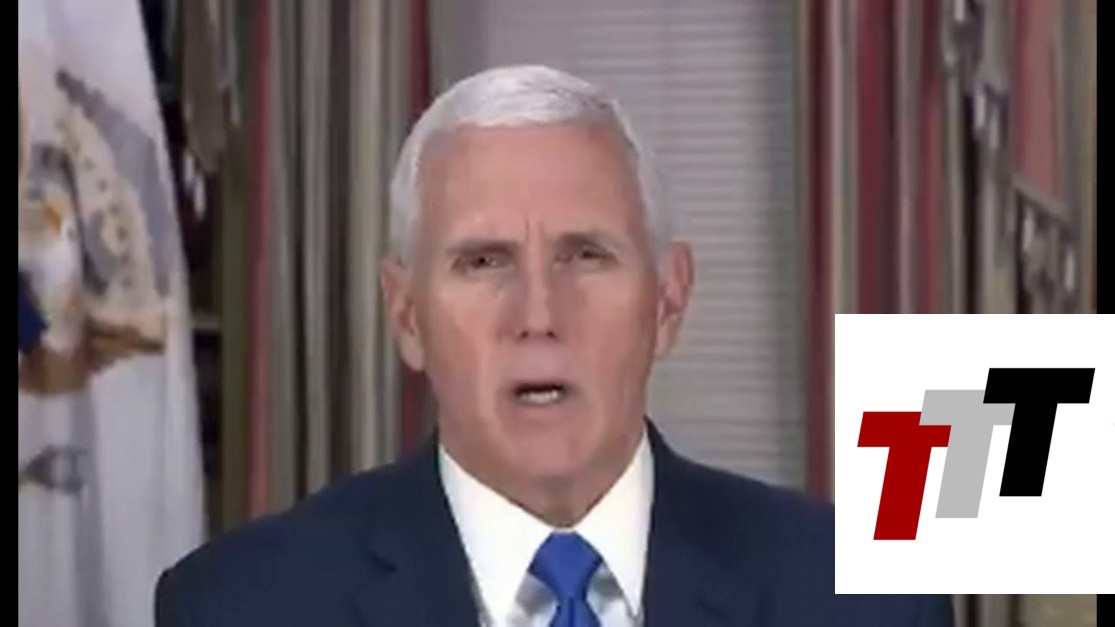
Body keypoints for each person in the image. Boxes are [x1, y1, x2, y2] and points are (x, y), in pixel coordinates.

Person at [154, 65, 953, 627]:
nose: (538, 314)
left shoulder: (863, 598)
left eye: (586, 255)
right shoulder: (240, 605)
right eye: (482, 261)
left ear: (668, 299)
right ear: (406, 315)